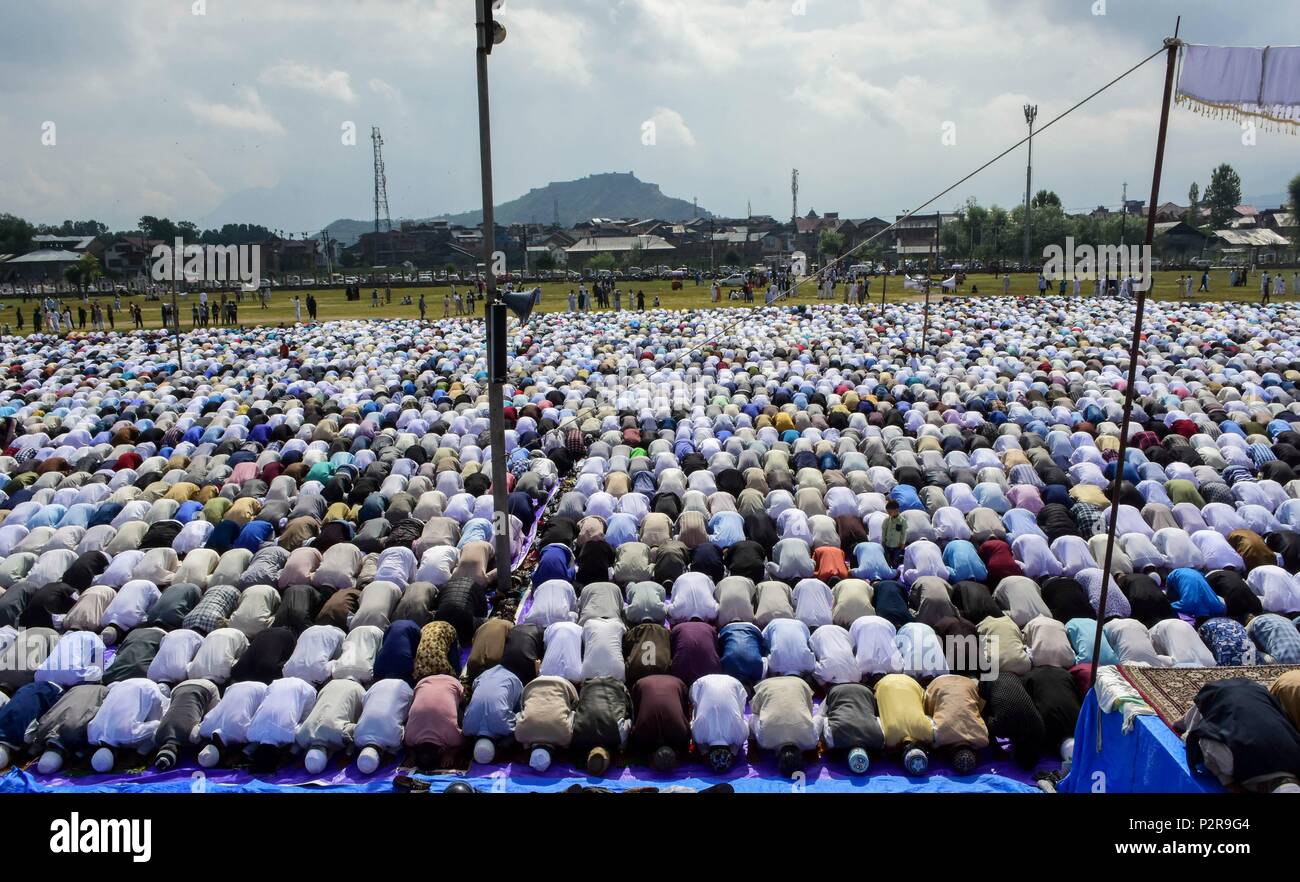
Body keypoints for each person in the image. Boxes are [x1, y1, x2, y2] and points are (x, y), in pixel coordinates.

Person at [881, 499, 907, 569]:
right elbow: (884, 530)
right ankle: (888, 572)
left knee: (895, 560)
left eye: (890, 512)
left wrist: (903, 543)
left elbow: (904, 533)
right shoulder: (887, 520)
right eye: (888, 512)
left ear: (896, 510)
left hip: (897, 545)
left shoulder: (902, 521)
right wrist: (883, 541)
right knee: (887, 560)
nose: (888, 513)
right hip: (888, 544)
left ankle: (895, 573)